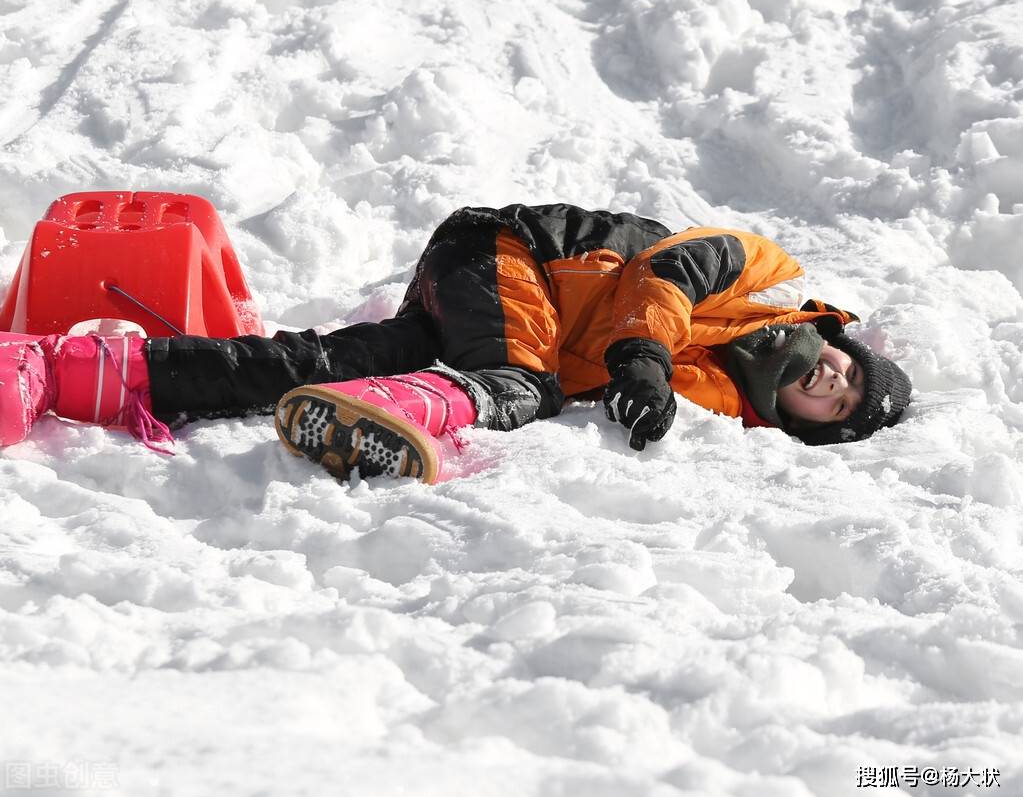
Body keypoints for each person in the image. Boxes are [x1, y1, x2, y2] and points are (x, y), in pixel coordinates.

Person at [0, 203, 912, 482]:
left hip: (485, 304)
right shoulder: (769, 275)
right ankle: (399, 416)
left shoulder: (719, 396)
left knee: (324, 358)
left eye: (826, 404)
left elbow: (627, 386)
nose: (828, 381)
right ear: (839, 337)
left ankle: (58, 373)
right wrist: (638, 361)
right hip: (508, 252)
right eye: (845, 371)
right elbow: (665, 277)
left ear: (790, 421)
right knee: (521, 381)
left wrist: (642, 386)